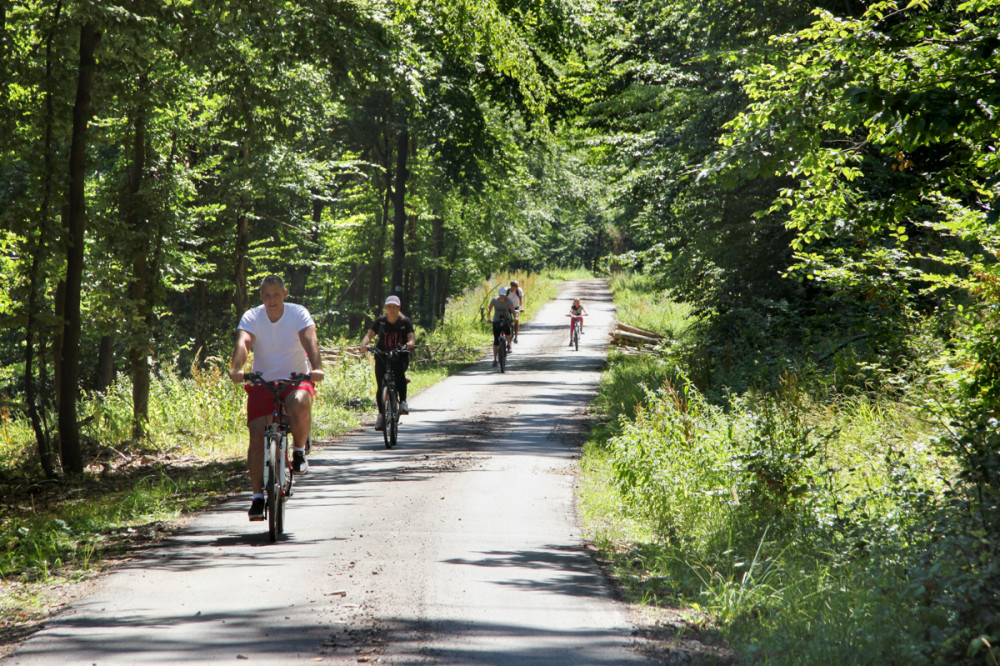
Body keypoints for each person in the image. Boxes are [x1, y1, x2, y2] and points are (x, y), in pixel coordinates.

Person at [229, 275, 324, 521]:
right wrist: (237, 368)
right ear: (261, 296)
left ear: (285, 294)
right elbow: (243, 341)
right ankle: (257, 497)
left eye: (276, 295)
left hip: (295, 378)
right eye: (267, 295)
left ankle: (299, 451)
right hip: (263, 380)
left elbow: (309, 339)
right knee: (257, 434)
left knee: (301, 402)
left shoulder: (297, 313)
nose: (272, 300)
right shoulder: (252, 316)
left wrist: (316, 367)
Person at [360, 295, 416, 431]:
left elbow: (411, 337)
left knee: (399, 374)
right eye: (389, 306)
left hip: (399, 355)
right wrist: (363, 344)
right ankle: (381, 415)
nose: (391, 309)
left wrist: (410, 343)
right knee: (380, 385)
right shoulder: (381, 321)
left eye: (394, 306)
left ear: (398, 308)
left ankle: (402, 402)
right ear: (386, 308)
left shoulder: (405, 322)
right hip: (382, 355)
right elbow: (369, 335)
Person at [486, 286, 515, 366]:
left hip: (506, 318)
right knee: (496, 340)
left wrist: (515, 317)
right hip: (496, 319)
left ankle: (508, 343)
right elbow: (489, 309)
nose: (502, 296)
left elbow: (512, 310)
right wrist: (489, 318)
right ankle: (495, 359)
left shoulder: (509, 301)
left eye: (504, 295)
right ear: (499, 294)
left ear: (505, 295)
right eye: (501, 295)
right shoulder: (494, 300)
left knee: (508, 333)